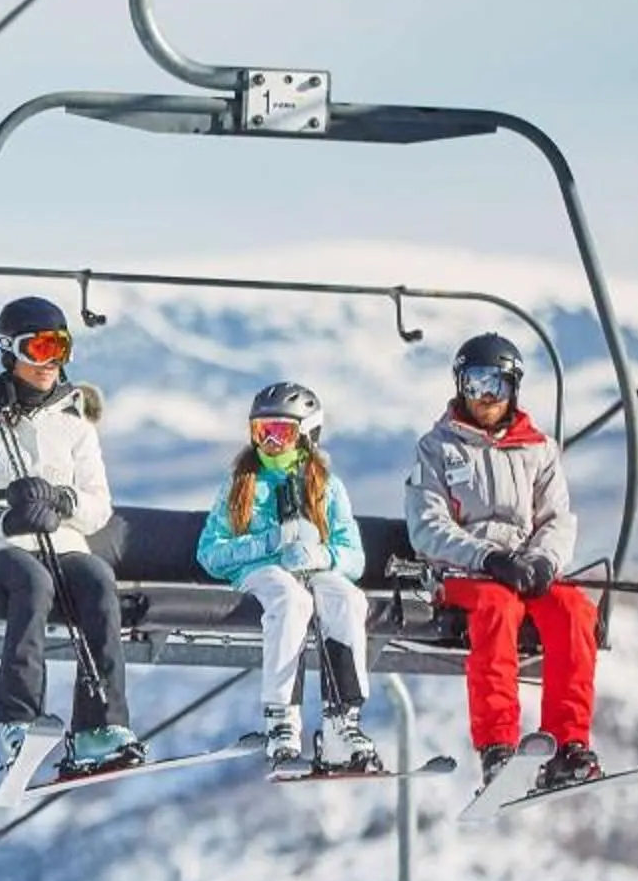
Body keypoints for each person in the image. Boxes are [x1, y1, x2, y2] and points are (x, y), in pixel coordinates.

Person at [0, 296, 139, 775]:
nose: (51, 363)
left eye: (59, 348)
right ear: (11, 350)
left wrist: (66, 504)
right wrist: (3, 520)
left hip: (62, 542)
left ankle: (99, 726)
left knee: (96, 580)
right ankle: (18, 720)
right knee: (34, 582)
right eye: (39, 349)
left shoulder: (75, 423)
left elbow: (98, 504)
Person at [407, 332, 602, 791]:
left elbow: (557, 519)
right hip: (463, 572)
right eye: (473, 385)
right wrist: (486, 557)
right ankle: (498, 747)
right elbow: (426, 526)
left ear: (512, 387)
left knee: (575, 612)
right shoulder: (437, 448)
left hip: (523, 568)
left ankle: (568, 745)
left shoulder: (538, 448)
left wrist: (542, 562)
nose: (484, 397)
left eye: (494, 384)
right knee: (497, 611)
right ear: (459, 386)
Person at [195, 382, 381, 773]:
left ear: (308, 435)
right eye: (262, 432)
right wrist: (269, 543)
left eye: (282, 432)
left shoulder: (327, 487)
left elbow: (354, 557)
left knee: (347, 599)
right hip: (260, 574)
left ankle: (342, 721)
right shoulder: (240, 485)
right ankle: (282, 718)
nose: (270, 443)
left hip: (313, 570)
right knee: (291, 600)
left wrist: (323, 555)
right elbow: (210, 553)